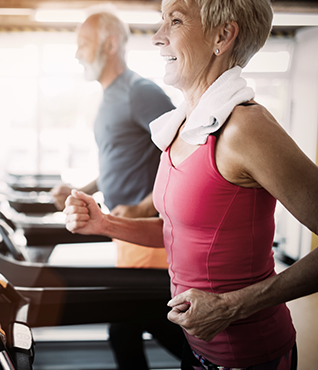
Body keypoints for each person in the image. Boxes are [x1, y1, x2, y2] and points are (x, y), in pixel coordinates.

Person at [64, 0, 318, 368]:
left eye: (176, 21)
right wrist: (104, 224)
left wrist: (231, 306)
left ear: (223, 35)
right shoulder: (184, 127)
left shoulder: (246, 128)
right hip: (197, 347)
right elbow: (177, 231)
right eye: (161, 22)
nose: (157, 37)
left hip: (249, 356)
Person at [51, 9, 187, 370]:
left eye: (83, 44)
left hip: (150, 238)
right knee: (126, 328)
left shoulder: (139, 91)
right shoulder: (109, 96)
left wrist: (145, 206)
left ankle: (214, 362)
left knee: (146, 325)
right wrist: (82, 190)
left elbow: (182, 152)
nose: (78, 53)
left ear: (110, 44)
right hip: (124, 237)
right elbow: (117, 160)